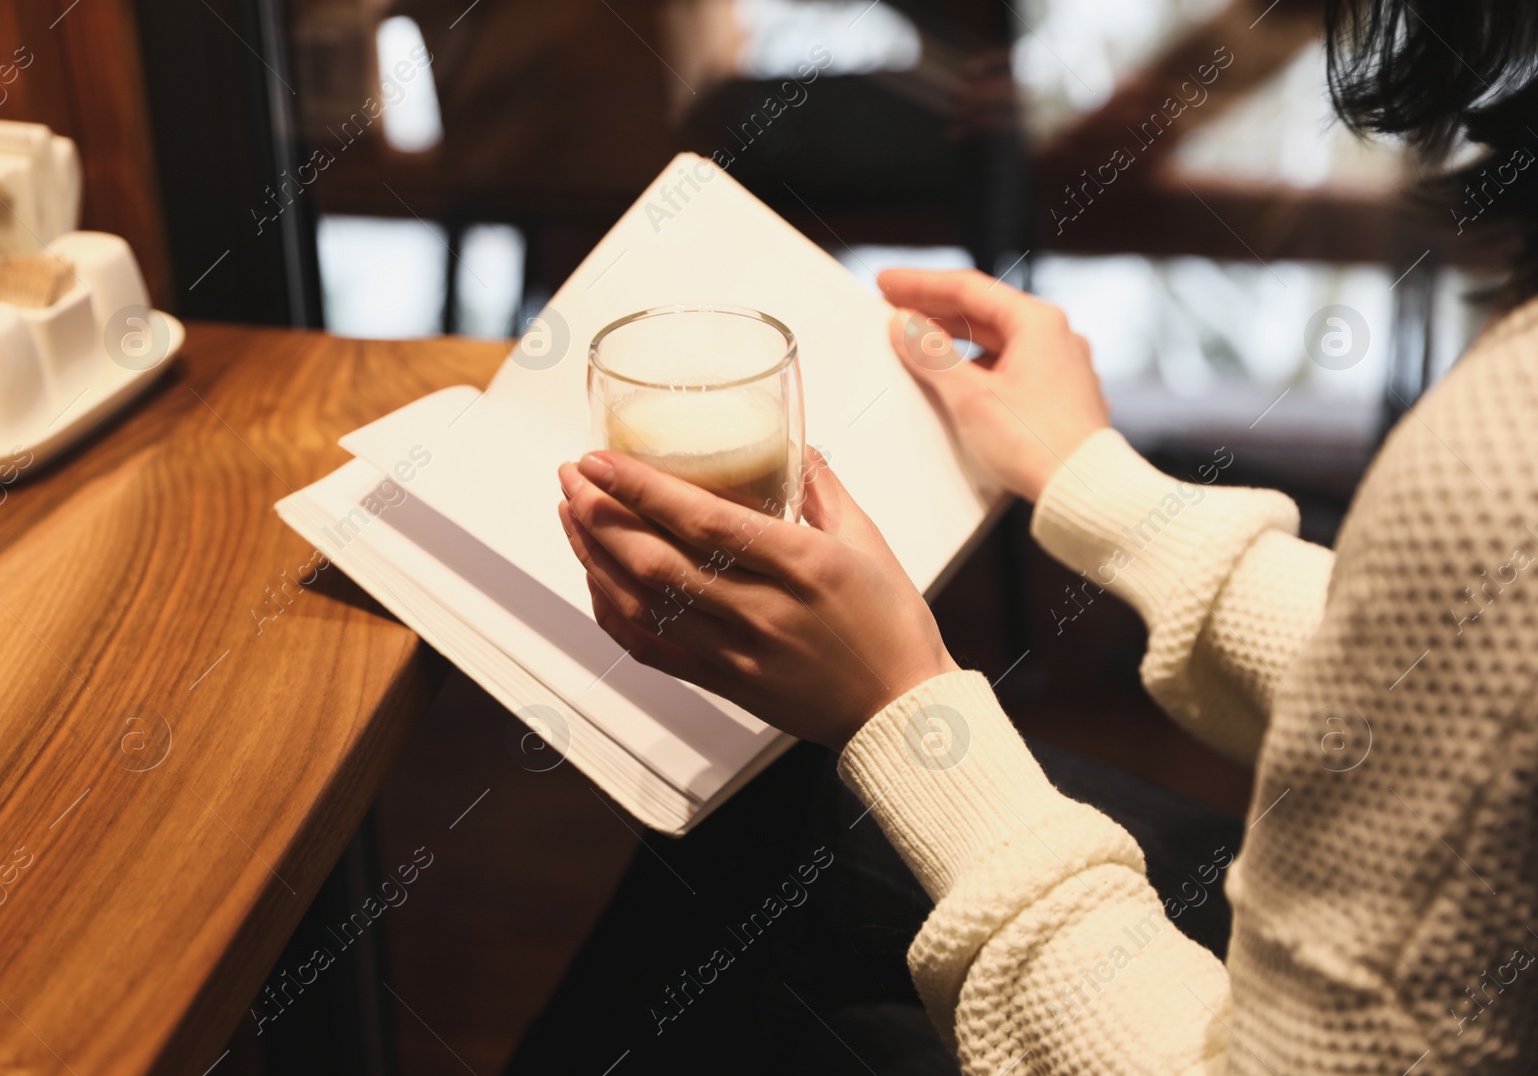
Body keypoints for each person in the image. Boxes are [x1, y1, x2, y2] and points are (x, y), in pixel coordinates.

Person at [531, 0, 1538, 1072]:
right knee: (782, 806)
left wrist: (901, 706)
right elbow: (1460, 690)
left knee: (783, 952)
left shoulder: (1498, 440)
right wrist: (1092, 478)